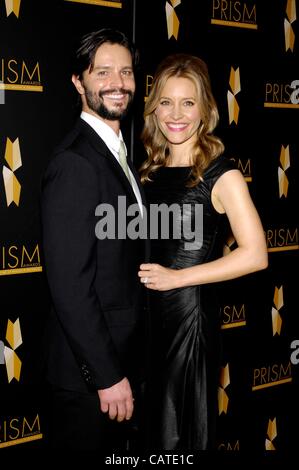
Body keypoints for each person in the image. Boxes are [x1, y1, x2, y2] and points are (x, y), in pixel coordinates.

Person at [138, 53, 268, 451]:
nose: (176, 114)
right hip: (149, 322)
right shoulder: (150, 170)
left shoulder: (220, 173)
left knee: (179, 435)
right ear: (153, 108)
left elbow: (256, 254)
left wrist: (179, 278)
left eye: (188, 102)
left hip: (188, 320)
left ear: (205, 110)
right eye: (166, 102)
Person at [40, 28, 148, 450]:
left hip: (119, 365)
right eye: (102, 72)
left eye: (125, 72)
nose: (117, 83)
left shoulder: (119, 154)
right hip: (91, 382)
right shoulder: (76, 163)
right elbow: (69, 284)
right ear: (78, 82)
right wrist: (107, 376)